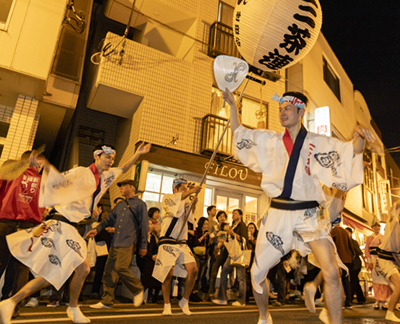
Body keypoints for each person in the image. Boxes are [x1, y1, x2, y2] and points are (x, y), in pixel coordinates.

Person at [223, 88, 373, 324]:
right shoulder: (270, 141)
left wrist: (360, 137)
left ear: (301, 111)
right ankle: (264, 317)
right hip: (277, 214)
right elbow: (240, 135)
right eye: (280, 109)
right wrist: (233, 107)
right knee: (256, 273)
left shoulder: (316, 142)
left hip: (308, 215)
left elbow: (349, 151)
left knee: (332, 272)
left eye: (288, 108)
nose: (282, 112)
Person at [0, 142, 151, 324]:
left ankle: (13, 302)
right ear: (96, 156)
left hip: (70, 226)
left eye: (112, 157)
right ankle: (66, 308)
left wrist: (138, 154)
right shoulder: (81, 172)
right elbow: (59, 181)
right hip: (62, 223)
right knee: (75, 269)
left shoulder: (107, 177)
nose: (111, 160)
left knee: (62, 272)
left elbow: (124, 167)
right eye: (107, 156)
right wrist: (46, 164)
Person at [88, 179, 148, 309]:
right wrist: (96, 229)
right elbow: (107, 220)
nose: (120, 188)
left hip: (128, 242)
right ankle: (107, 300)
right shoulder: (120, 205)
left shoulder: (140, 204)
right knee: (109, 272)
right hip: (115, 242)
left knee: (121, 268)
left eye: (122, 185)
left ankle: (137, 290)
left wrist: (143, 245)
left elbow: (144, 226)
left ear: (131, 187)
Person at [0, 152, 45, 317]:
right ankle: (12, 307)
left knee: (1, 262)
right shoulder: (43, 181)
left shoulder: (11, 171)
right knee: (19, 268)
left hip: (6, 222)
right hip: (29, 227)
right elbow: (43, 207)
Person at [152, 178, 202, 316]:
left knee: (193, 270)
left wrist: (194, 204)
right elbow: (176, 203)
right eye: (183, 189)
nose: (185, 191)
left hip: (181, 242)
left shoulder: (184, 202)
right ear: (175, 189)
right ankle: (167, 304)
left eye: (186, 189)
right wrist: (192, 191)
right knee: (167, 273)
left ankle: (184, 300)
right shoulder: (168, 198)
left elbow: (191, 219)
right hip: (167, 241)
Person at [212, 208, 248, 306]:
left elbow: (244, 239)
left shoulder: (242, 225)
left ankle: (241, 300)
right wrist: (222, 241)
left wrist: (233, 234)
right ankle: (223, 298)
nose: (233, 215)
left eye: (236, 214)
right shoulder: (232, 226)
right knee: (224, 272)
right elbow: (230, 240)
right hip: (232, 253)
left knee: (240, 277)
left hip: (240, 253)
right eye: (233, 214)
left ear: (240, 215)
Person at [376, 202, 400, 322]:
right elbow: (396, 206)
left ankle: (392, 302)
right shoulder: (393, 222)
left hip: (394, 260)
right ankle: (390, 312)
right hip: (385, 258)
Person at [365, 222, 391, 310]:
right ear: (372, 228)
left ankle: (384, 301)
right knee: (375, 281)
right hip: (374, 261)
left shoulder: (383, 237)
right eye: (375, 228)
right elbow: (367, 251)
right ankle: (377, 300)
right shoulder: (369, 238)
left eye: (378, 228)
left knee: (384, 282)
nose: (377, 230)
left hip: (382, 261)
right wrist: (369, 262)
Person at [330, 225, 355, 309]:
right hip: (347, 259)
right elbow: (350, 245)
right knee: (346, 281)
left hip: (338, 260)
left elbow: (331, 246)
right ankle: (348, 301)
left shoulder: (333, 231)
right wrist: (352, 255)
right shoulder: (344, 231)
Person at [137, 220, 161, 303]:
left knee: (158, 271)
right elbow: (141, 249)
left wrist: (156, 255)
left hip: (152, 259)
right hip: (143, 258)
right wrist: (151, 256)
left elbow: (155, 248)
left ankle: (155, 295)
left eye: (151, 224)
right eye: (148, 224)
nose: (150, 226)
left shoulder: (153, 237)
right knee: (149, 269)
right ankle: (142, 294)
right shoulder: (141, 236)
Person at [208, 211, 228, 300]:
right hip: (216, 252)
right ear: (218, 218)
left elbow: (229, 239)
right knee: (213, 273)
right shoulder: (215, 227)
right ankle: (211, 292)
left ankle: (222, 293)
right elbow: (211, 237)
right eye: (220, 216)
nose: (222, 218)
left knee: (224, 273)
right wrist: (217, 234)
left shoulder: (228, 227)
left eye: (224, 216)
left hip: (226, 253)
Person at [345, 227, 366, 304]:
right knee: (355, 281)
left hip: (356, 265)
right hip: (351, 265)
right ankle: (361, 298)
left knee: (353, 281)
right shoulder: (345, 242)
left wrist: (365, 262)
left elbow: (360, 253)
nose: (346, 234)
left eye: (347, 233)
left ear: (350, 233)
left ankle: (350, 298)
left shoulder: (353, 242)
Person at [192, 217, 210, 298]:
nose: (206, 226)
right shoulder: (197, 232)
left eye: (207, 224)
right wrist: (203, 236)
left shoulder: (207, 233)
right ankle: (192, 292)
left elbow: (208, 245)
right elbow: (196, 242)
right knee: (195, 274)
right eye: (205, 224)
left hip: (204, 256)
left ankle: (197, 292)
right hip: (197, 255)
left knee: (201, 275)